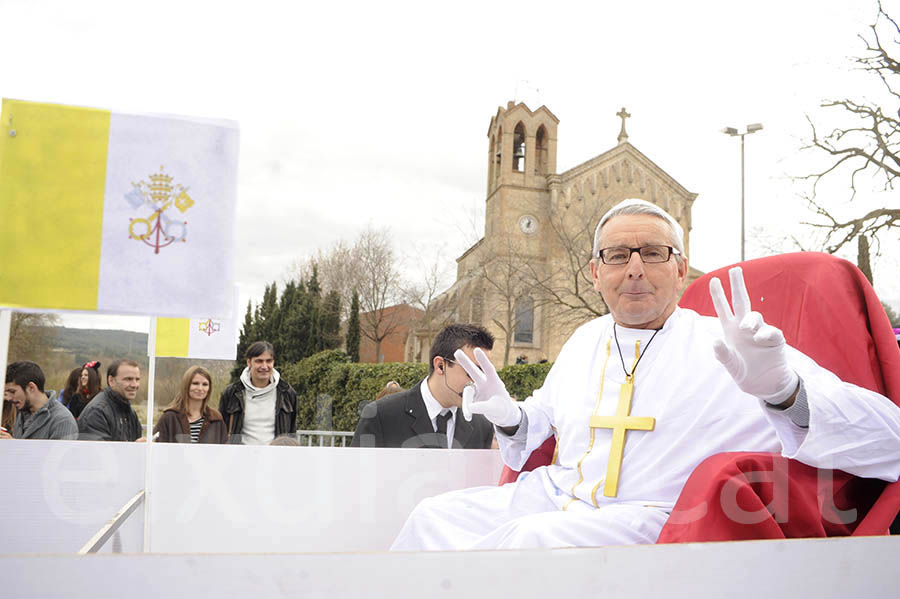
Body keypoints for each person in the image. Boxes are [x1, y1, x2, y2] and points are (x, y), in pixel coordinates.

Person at [391, 198, 900, 551]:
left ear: (681, 269)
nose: (634, 268)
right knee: (433, 518)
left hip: (654, 514)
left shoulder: (732, 344)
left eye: (653, 253)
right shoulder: (583, 340)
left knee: (527, 545)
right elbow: (537, 429)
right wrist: (509, 418)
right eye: (617, 255)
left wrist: (784, 391)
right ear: (596, 273)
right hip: (559, 495)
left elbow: (889, 439)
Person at [351, 324, 495, 449]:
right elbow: (358, 476)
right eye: (472, 372)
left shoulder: (482, 425)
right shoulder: (381, 415)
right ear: (440, 366)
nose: (478, 383)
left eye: (485, 375)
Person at [218, 341, 297, 445]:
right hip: (240, 457)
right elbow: (222, 429)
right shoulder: (231, 393)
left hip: (275, 457)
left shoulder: (287, 393)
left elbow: (292, 431)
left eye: (269, 361)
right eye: (259, 361)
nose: (264, 366)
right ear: (249, 362)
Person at [1, 361, 78, 440]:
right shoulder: (22, 412)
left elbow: (59, 452)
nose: (8, 398)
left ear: (31, 387)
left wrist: (13, 445)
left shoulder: (63, 421)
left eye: (12, 391)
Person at [154, 366, 228, 443]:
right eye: (195, 383)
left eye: (205, 384)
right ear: (186, 385)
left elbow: (224, 452)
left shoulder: (216, 419)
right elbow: (157, 448)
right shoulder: (169, 417)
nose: (200, 388)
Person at [78, 359, 145, 442]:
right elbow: (98, 452)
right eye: (128, 379)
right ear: (111, 381)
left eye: (137, 379)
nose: (134, 385)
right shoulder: (97, 412)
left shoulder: (130, 412)